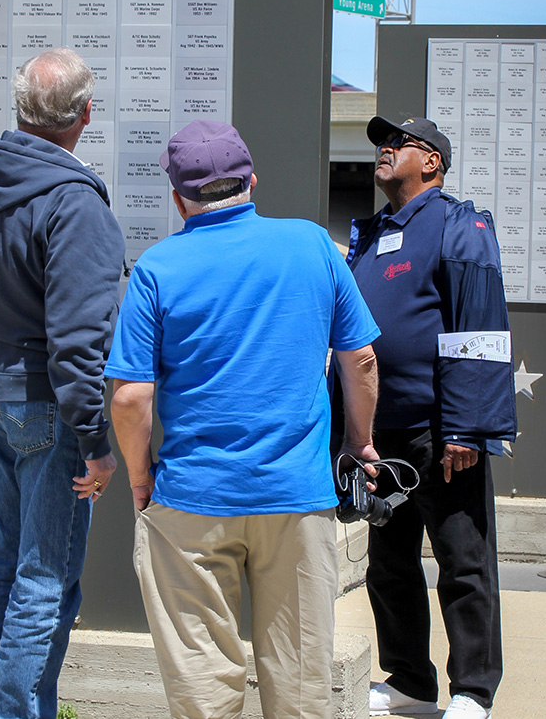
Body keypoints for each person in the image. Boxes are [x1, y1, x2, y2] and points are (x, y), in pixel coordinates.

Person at [78, 119, 381, 719]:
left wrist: (141, 479)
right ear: (252, 180)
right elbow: (363, 360)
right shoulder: (314, 245)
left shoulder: (157, 270)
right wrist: (359, 443)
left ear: (176, 198)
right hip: (296, 497)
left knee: (202, 685)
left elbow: (130, 399)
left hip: (191, 502)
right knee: (300, 682)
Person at [0, 47, 125, 719]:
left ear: (22, 109)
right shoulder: (74, 205)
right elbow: (80, 346)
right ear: (86, 114)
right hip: (47, 410)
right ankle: (8, 712)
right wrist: (96, 441)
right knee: (43, 576)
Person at [338, 116, 516, 719]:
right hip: (379, 438)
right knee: (389, 566)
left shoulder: (457, 224)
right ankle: (411, 682)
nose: (384, 151)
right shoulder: (373, 233)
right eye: (381, 144)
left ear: (432, 162)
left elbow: (480, 326)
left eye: (398, 143)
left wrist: (467, 426)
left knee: (463, 563)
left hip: (441, 433)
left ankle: (473, 691)